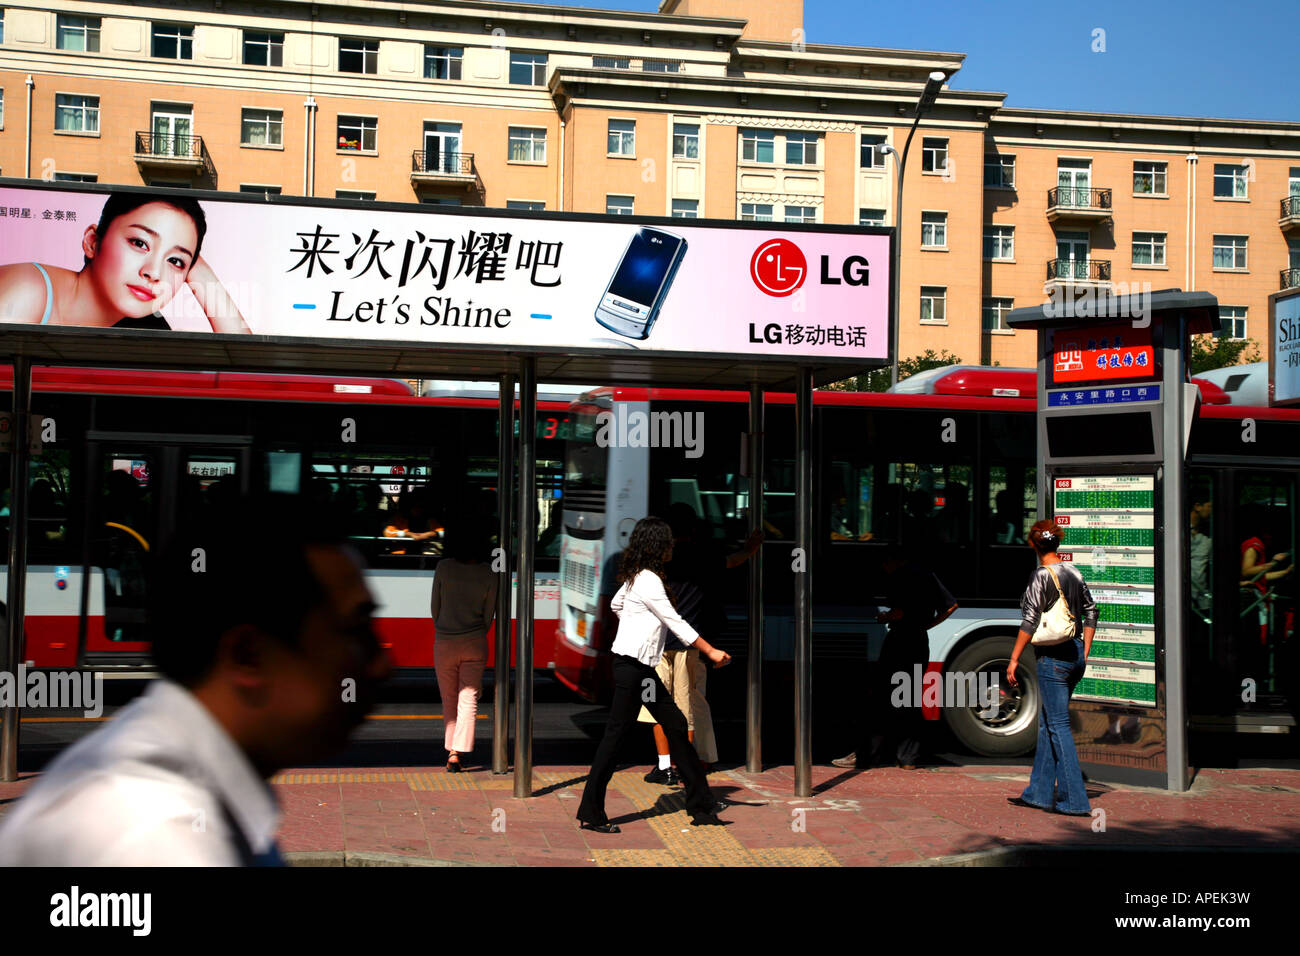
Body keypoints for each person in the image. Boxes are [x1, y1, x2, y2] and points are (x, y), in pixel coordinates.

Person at [0, 494, 390, 865]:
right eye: (355, 629)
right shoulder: (161, 835)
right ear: (248, 655)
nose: (383, 664)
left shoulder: (200, 797)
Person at [576, 517, 732, 833]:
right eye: (669, 542)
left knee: (674, 724)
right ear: (657, 546)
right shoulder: (648, 580)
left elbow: (619, 605)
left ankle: (701, 806)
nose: (673, 546)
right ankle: (591, 812)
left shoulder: (637, 577)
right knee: (614, 739)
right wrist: (711, 651)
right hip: (632, 670)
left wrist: (639, 627)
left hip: (640, 669)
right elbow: (675, 621)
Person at [0, 191, 249, 332]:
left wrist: (202, 274)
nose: (153, 272)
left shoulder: (146, 329)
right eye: (139, 243)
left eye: (175, 261)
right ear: (92, 241)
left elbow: (247, 369)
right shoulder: (27, 289)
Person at [640, 503, 762, 782]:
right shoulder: (704, 555)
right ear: (693, 528)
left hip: (656, 644)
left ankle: (666, 765)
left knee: (660, 706)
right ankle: (692, 763)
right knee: (691, 705)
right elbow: (735, 560)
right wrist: (752, 547)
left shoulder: (655, 560)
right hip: (690, 644)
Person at [832, 544, 957, 770]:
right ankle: (908, 758)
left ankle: (866, 755)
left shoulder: (901, 577)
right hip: (920, 640)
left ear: (892, 561)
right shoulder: (928, 575)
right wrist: (926, 625)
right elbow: (951, 606)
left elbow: (900, 611)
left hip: (900, 640)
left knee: (880, 697)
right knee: (908, 697)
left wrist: (885, 616)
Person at [1006, 519, 1098, 816]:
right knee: (1048, 723)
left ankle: (1074, 801)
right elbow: (1092, 610)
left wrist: (1014, 659)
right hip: (1074, 655)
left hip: (1053, 660)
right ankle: (1038, 794)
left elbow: (1030, 621)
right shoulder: (1073, 570)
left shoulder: (1040, 576)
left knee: (1058, 726)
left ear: (1034, 544)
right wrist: (1085, 649)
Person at [430, 517, 497, 772]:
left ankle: (452, 752)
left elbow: (434, 607)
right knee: (468, 698)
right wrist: (475, 632)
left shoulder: (444, 567)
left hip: (445, 641)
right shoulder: (489, 572)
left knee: (449, 698)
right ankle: (458, 750)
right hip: (475, 642)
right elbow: (489, 614)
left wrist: (445, 627)